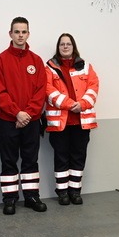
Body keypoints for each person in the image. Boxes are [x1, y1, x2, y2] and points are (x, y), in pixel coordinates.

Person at [0, 16, 47, 215]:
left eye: (24, 32)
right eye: (17, 31)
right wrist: (17, 112)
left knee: (30, 159)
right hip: (8, 120)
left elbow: (41, 91)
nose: (20, 35)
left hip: (31, 121)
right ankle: (10, 199)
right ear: (10, 34)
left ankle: (32, 196)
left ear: (28, 34)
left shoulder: (37, 61)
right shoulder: (0, 60)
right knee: (8, 160)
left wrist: (28, 114)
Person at [45, 34, 99, 205]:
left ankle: (75, 191)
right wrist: (70, 104)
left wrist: (82, 104)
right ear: (58, 47)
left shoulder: (86, 67)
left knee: (78, 157)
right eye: (62, 44)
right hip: (60, 124)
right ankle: (62, 193)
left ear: (74, 47)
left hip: (81, 123)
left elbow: (93, 87)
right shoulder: (49, 67)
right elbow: (48, 91)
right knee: (61, 158)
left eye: (68, 44)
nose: (65, 47)